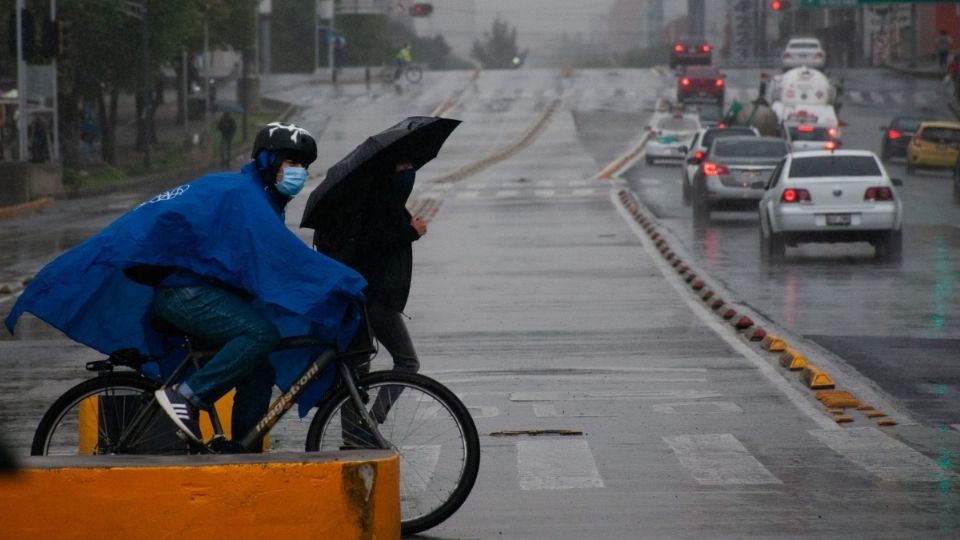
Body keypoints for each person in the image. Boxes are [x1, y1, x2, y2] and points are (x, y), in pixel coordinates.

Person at [5, 122, 367, 447]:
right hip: (185, 295)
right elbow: (284, 258)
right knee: (260, 336)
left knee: (259, 369)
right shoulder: (243, 195)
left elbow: (263, 265)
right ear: (266, 161)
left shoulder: (257, 200)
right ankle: (188, 397)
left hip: (198, 294)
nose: (298, 172)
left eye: (303, 165)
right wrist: (342, 282)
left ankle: (242, 454)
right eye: (290, 162)